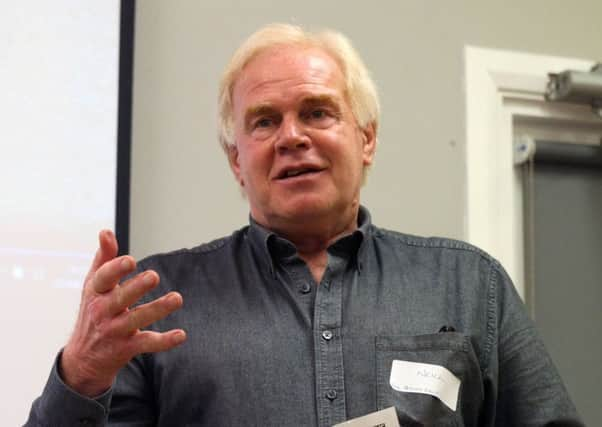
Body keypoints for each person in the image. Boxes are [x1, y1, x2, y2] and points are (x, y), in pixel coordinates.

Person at [27, 24, 582, 426]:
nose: (292, 137)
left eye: (317, 112)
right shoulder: (158, 301)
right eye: (264, 121)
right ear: (236, 161)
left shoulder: (469, 284)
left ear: (366, 139)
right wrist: (80, 374)